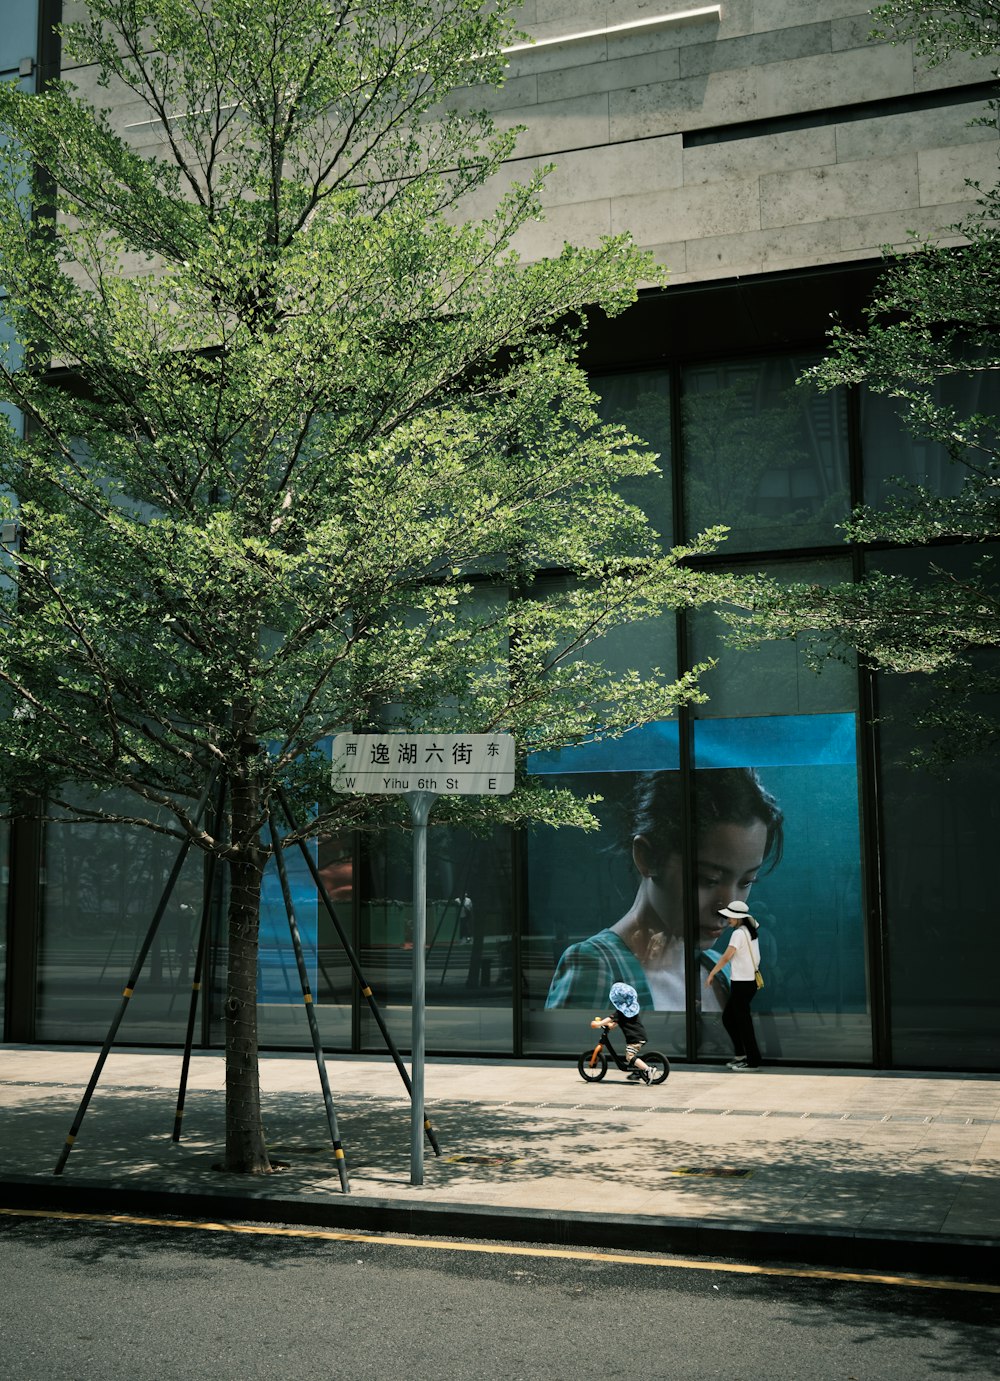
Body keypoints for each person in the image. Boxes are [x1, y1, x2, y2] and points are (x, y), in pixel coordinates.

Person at [545, 767, 783, 1011]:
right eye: (708, 879)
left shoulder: (720, 973)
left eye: (746, 882)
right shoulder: (597, 971)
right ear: (647, 857)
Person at [704, 899, 763, 1070]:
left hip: (742, 984)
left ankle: (752, 1060)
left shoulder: (738, 933)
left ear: (738, 918)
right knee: (729, 1018)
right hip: (747, 983)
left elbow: (726, 956)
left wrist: (713, 973)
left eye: (730, 918)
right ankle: (741, 1055)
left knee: (741, 1021)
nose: (728, 920)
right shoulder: (749, 932)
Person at [601, 982, 654, 1085]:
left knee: (629, 1056)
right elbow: (614, 1023)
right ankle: (637, 1073)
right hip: (641, 1036)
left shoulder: (620, 1013)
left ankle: (648, 1070)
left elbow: (610, 1019)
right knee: (633, 1055)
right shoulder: (631, 1010)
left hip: (635, 1039)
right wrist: (610, 1026)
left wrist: (598, 1023)